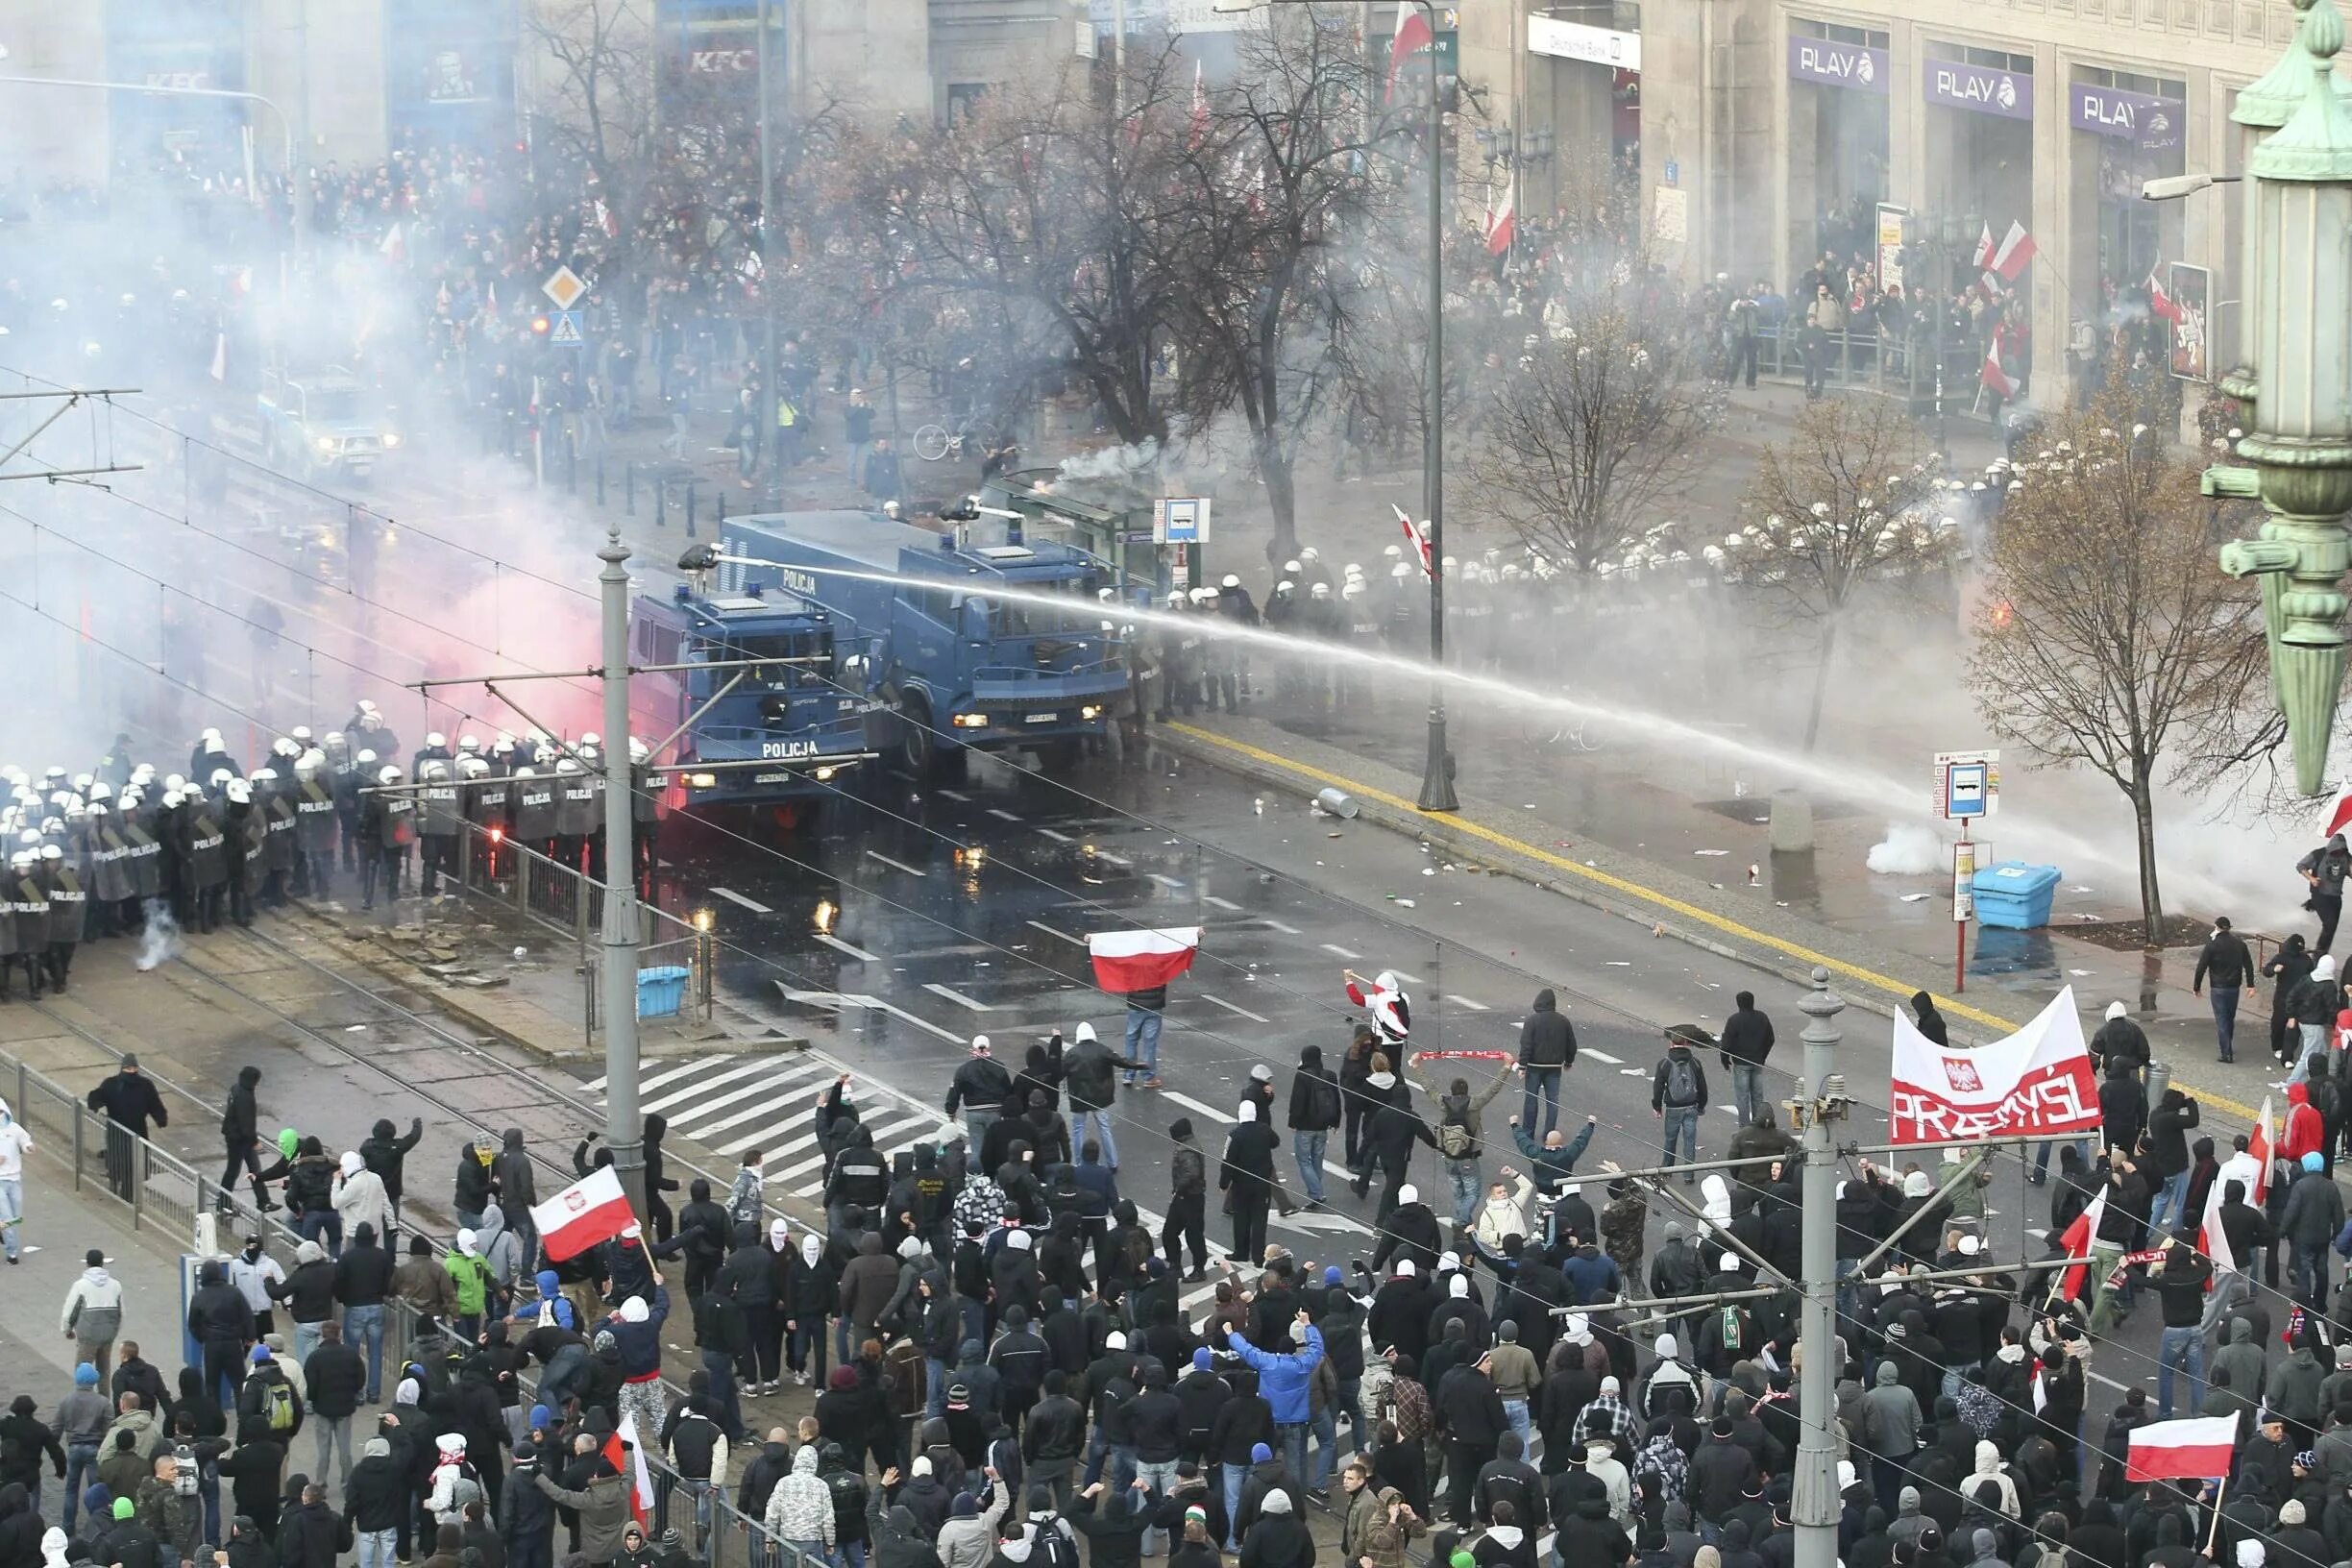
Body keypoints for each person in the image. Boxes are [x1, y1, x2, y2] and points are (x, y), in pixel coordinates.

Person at [86, 1053, 166, 1202]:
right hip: (118, 1132)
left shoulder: (145, 1085)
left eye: (134, 1068)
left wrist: (160, 1118)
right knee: (118, 1163)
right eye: (128, 1068)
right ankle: (115, 1186)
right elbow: (98, 1095)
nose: (131, 1071)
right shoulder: (112, 1084)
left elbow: (154, 1104)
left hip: (136, 1132)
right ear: (123, 1068)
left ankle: (126, 1197)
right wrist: (95, 1103)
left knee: (132, 1168)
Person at [2192, 916, 2256, 1063]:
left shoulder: (2212, 946)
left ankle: (2226, 1052)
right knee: (2229, 1017)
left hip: (2218, 987)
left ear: (2217, 927)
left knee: (2221, 1020)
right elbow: (2249, 964)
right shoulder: (2240, 944)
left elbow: (2201, 967)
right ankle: (2228, 1044)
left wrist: (2197, 987)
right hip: (2234, 987)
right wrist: (2250, 985)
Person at [1513, 990, 1575, 1139]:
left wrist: (1522, 1065)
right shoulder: (1563, 1021)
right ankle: (1549, 1133)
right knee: (1553, 1100)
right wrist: (1568, 1061)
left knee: (1531, 1098)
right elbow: (1571, 1044)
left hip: (1534, 1067)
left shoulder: (1532, 1021)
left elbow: (1526, 1044)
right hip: (1554, 1067)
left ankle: (1528, 1132)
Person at [1652, 1028, 1710, 1180]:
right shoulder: (1695, 1063)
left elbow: (1658, 1088)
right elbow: (1703, 1087)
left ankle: (1666, 1169)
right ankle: (1689, 1175)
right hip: (1691, 1107)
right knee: (1689, 1141)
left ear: (1671, 1043)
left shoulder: (1664, 1063)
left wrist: (1657, 1107)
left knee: (1670, 1139)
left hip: (1673, 1108)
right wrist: (1701, 1106)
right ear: (1686, 1043)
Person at [1717, 992, 1776, 1128]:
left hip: (1740, 1062)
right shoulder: (1762, 1017)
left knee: (1742, 1097)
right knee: (1758, 1096)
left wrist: (1725, 1060)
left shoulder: (1734, 1020)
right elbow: (1770, 1039)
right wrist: (1763, 1056)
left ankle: (1745, 1126)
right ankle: (1759, 1124)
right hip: (1757, 1062)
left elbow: (1726, 1043)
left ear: (1738, 1003)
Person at [2301, 831, 2352, 953]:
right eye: (2337, 850)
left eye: (2342, 850)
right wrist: (2311, 878)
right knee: (2330, 924)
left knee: (2332, 927)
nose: (2339, 852)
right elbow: (2301, 866)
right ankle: (2319, 953)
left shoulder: (2347, 857)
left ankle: (2324, 952)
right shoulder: (2319, 854)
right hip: (2320, 894)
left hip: (2336, 897)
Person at [0, 1096, 33, 1262]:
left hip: (14, 1179)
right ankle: (12, 1252)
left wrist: (28, 1147)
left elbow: (25, 1141)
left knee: (16, 1216)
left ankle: (2, 1231)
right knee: (7, 1217)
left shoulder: (14, 1129)